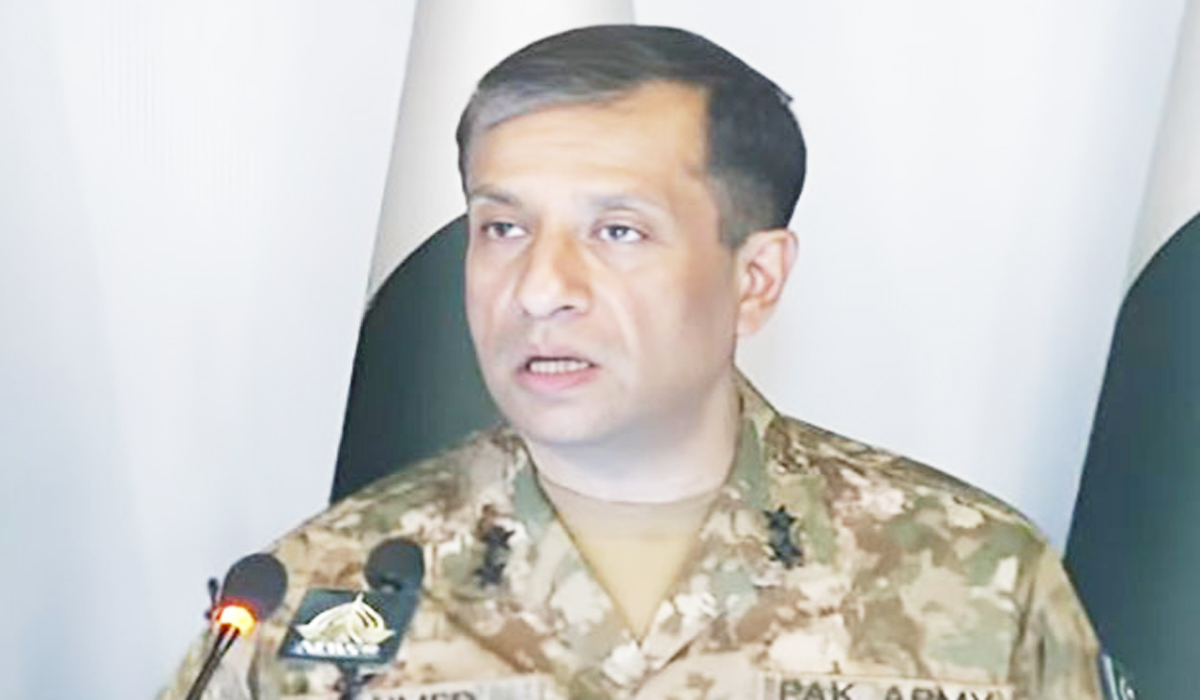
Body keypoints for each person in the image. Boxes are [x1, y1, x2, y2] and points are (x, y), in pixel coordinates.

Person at [161, 25, 1112, 699]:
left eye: (618, 230)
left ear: (755, 278)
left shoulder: (984, 578)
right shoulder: (317, 590)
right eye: (502, 228)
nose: (540, 289)